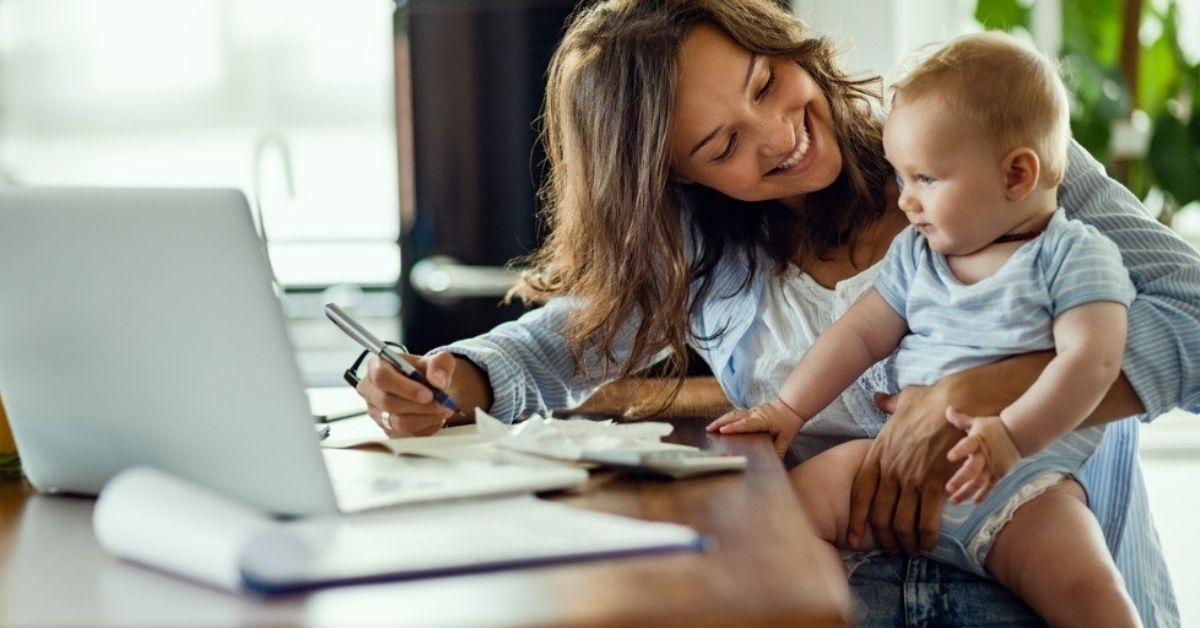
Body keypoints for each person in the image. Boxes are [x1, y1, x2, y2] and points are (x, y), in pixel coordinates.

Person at [353, 1, 1197, 624]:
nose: (778, 135)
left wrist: (988, 391)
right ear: (677, 178)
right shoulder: (703, 247)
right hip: (843, 599)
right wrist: (454, 375)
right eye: (721, 145)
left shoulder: (982, 147)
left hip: (1050, 588)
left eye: (766, 82)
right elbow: (561, 341)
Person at [707, 32, 1140, 626]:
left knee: (1092, 594)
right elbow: (858, 336)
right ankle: (826, 612)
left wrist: (1009, 436)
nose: (905, 202)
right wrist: (787, 408)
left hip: (1025, 486)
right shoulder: (918, 254)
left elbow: (1094, 362)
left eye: (927, 180)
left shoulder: (1074, 257)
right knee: (780, 519)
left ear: (1016, 176)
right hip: (886, 464)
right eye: (900, 178)